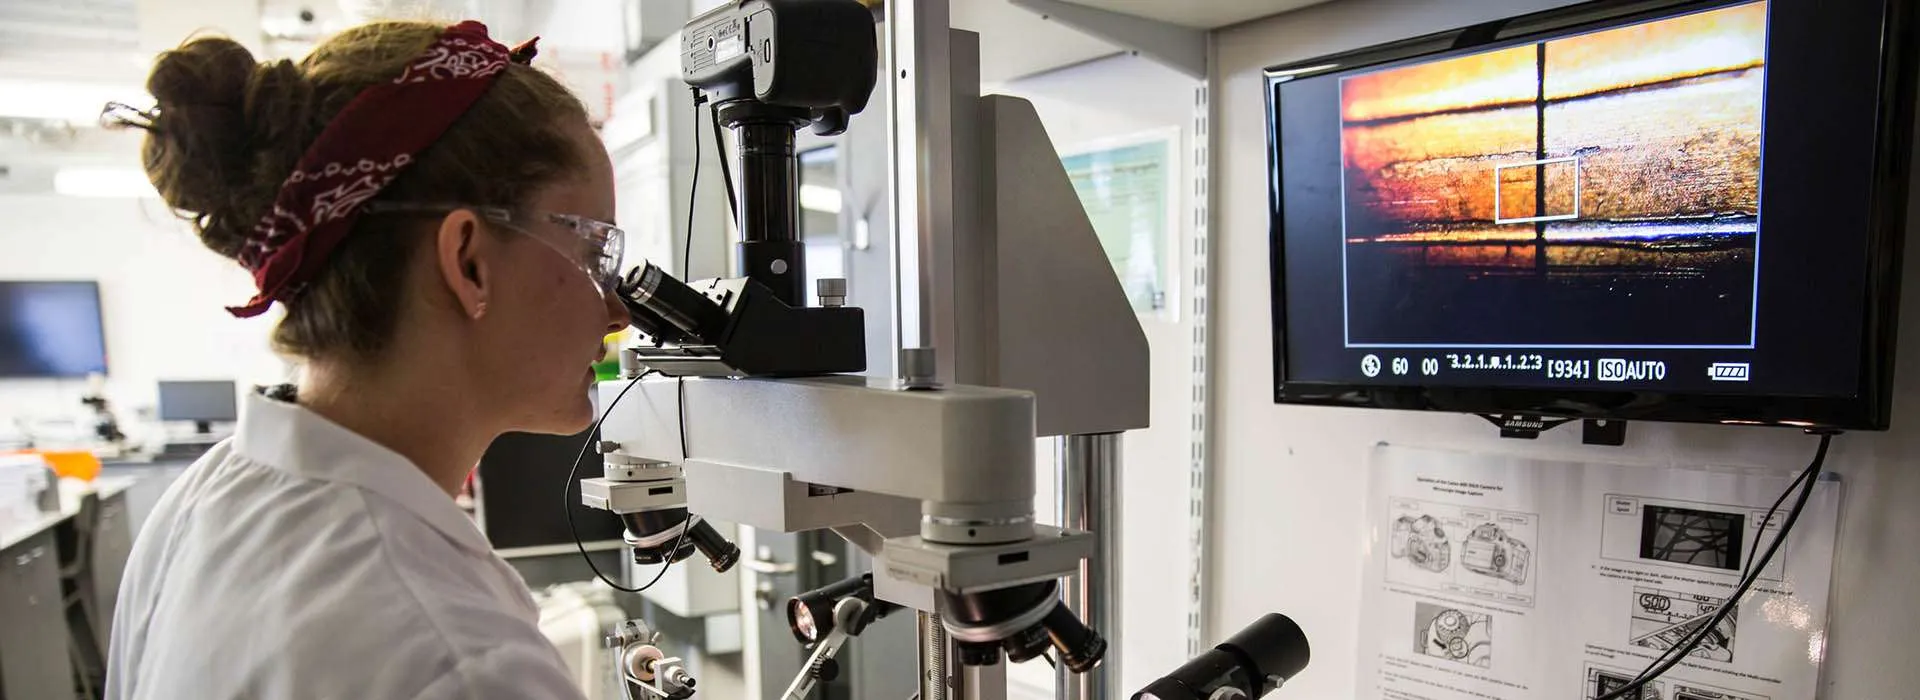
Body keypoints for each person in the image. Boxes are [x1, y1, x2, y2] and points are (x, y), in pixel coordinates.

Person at [105, 19, 628, 699]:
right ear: (468, 262)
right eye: (595, 254)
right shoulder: (461, 663)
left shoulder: (200, 504)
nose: (618, 312)